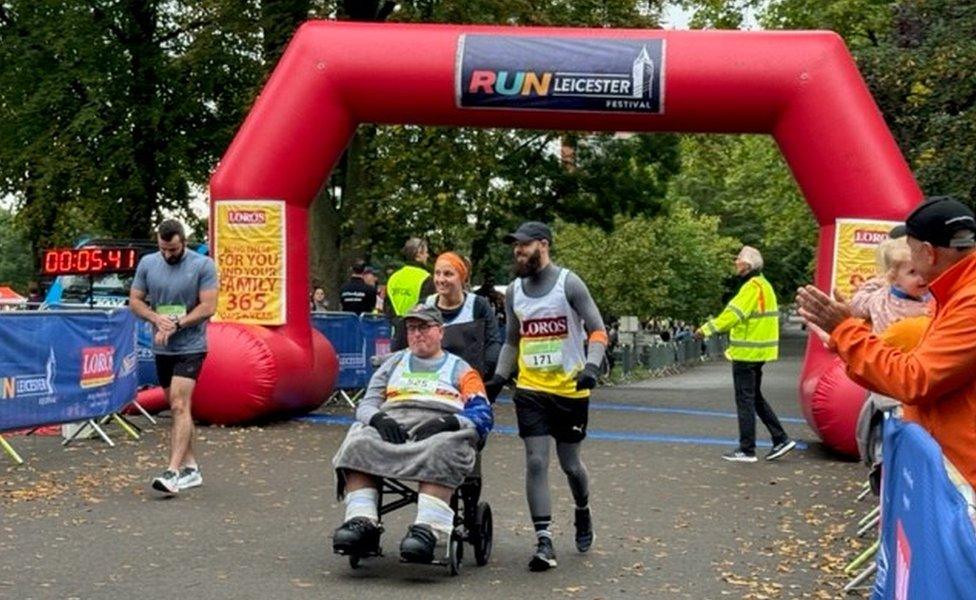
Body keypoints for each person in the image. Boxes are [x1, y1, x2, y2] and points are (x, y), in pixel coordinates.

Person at [797, 195, 976, 488]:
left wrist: (845, 332)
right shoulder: (953, 293)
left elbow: (914, 379)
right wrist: (846, 336)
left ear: (928, 253)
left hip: (964, 476)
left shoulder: (968, 300)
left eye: (910, 250)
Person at [484, 221, 607, 572]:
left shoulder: (569, 283)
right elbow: (512, 340)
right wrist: (498, 378)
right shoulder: (514, 291)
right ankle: (544, 540)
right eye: (515, 246)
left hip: (570, 389)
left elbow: (598, 330)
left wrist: (592, 367)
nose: (517, 252)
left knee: (570, 465)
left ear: (543, 245)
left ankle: (582, 510)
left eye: (523, 245)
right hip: (532, 390)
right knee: (536, 461)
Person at [330, 303, 493, 563]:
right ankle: (362, 521)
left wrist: (448, 422)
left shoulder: (461, 369)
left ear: (440, 331)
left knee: (443, 448)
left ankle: (428, 529)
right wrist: (377, 418)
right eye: (412, 328)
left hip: (438, 427)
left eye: (424, 328)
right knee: (359, 439)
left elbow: (482, 413)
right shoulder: (393, 363)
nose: (417, 334)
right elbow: (367, 403)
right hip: (394, 423)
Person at [129, 219, 218, 495]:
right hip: (162, 347)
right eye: (164, 249)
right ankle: (192, 468)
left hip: (190, 345)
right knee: (179, 407)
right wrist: (156, 318)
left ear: (184, 242)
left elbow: (208, 306)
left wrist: (177, 324)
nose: (169, 255)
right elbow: (135, 301)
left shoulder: (203, 265)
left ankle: (172, 472)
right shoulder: (147, 264)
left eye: (174, 250)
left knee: (179, 405)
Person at [696, 246, 796, 463]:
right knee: (755, 398)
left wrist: (705, 330)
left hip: (746, 352)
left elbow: (732, 316)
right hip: (759, 351)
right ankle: (780, 438)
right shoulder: (765, 285)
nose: (736, 263)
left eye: (738, 259)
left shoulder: (751, 288)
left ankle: (747, 449)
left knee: (745, 400)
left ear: (748, 265)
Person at [423, 252, 501, 378]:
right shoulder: (425, 306)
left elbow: (493, 342)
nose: (441, 280)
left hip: (470, 378)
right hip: (434, 380)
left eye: (448, 274)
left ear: (462, 278)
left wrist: (483, 374)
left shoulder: (478, 305)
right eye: (437, 273)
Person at [386, 237, 436, 349]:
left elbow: (387, 309)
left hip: (397, 333)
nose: (427, 256)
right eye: (426, 253)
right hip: (419, 335)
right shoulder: (426, 278)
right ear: (418, 255)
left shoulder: (393, 278)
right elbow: (430, 308)